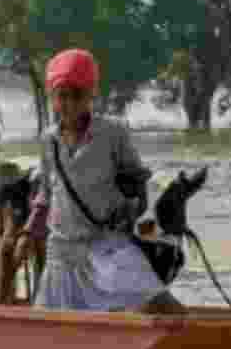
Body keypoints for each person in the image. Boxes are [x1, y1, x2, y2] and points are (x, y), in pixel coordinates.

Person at [27, 48, 183, 313]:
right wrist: (29, 231)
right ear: (52, 97)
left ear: (90, 95)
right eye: (61, 95)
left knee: (161, 306)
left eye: (76, 96)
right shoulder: (48, 139)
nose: (68, 104)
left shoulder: (112, 133)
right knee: (51, 325)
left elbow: (138, 180)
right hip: (62, 252)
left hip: (105, 244)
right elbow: (45, 192)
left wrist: (130, 208)